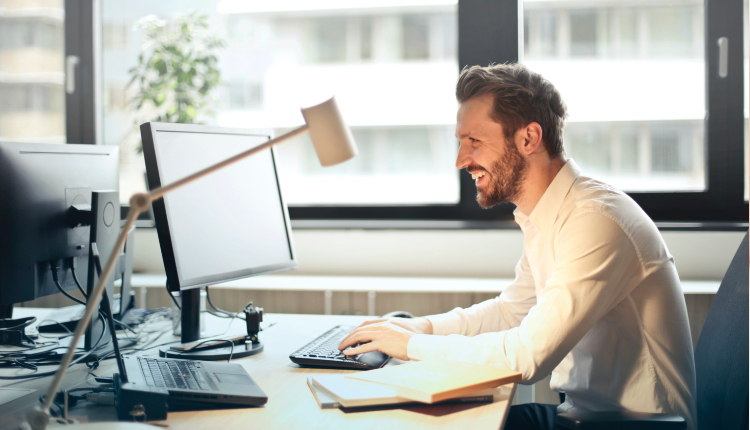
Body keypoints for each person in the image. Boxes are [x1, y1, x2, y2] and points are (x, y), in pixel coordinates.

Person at [338, 63, 697, 430]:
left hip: (631, 426)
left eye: (474, 141)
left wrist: (409, 346)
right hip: (580, 417)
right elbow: (513, 312)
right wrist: (419, 329)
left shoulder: (596, 221)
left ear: (529, 139)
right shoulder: (548, 215)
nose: (461, 160)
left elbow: (527, 357)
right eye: (461, 143)